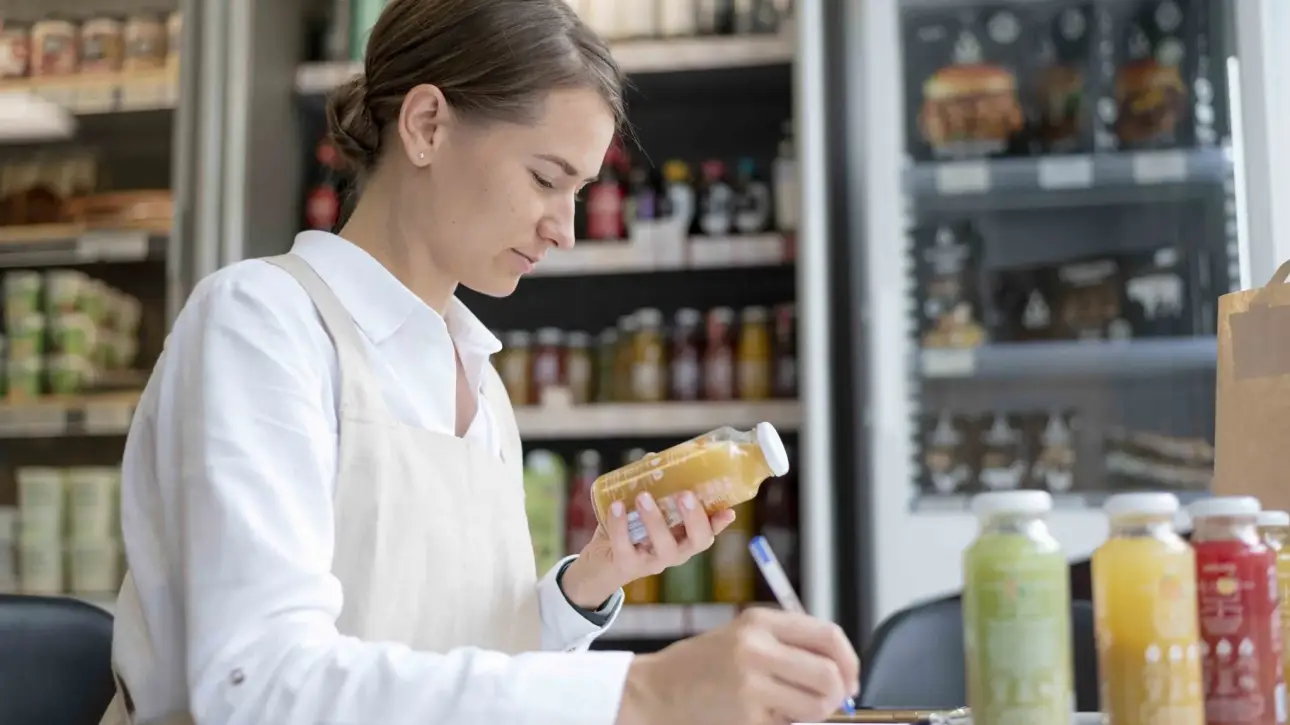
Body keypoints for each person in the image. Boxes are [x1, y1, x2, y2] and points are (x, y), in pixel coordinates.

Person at [99, 1, 859, 724]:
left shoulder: (478, 379)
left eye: (580, 191)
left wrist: (589, 580)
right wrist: (650, 690)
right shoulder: (261, 324)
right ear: (428, 125)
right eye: (546, 179)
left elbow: (456, 667)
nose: (566, 229)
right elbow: (256, 684)